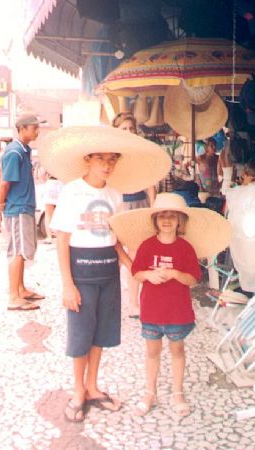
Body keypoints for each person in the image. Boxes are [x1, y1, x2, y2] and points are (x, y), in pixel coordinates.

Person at [41, 126, 169, 423]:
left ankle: (93, 386)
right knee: (80, 336)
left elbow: (115, 238)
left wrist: (134, 268)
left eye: (112, 159)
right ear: (87, 159)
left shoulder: (115, 194)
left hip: (108, 274)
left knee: (100, 334)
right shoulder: (72, 190)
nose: (107, 165)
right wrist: (67, 285)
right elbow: (62, 238)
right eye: (101, 159)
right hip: (81, 272)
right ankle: (77, 391)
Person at [117, 193, 202, 417]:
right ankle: (149, 392)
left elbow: (193, 278)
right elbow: (136, 272)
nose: (166, 220)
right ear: (155, 220)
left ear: (180, 221)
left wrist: (175, 273)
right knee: (152, 352)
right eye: (162, 216)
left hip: (178, 313)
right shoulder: (147, 246)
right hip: (152, 311)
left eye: (172, 216)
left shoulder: (185, 248)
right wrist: (149, 275)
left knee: (177, 351)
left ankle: (177, 392)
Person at [0, 113, 46, 311]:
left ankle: (21, 289)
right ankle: (13, 297)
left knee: (23, 251)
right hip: (16, 210)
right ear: (23, 128)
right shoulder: (14, 152)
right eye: (34, 127)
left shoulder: (24, 150)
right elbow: (4, 184)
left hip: (25, 208)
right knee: (16, 252)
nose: (37, 131)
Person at [112, 111, 156, 318]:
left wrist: (153, 206)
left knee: (136, 255)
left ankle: (133, 303)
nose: (128, 132)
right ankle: (108, 298)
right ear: (116, 131)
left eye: (131, 128)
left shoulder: (141, 154)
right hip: (119, 206)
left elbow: (150, 183)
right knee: (114, 254)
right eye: (124, 129)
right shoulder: (112, 155)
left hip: (139, 205)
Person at [43, 175, 64, 244]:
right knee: (62, 212)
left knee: (48, 212)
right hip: (63, 182)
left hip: (51, 182)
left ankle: (49, 237)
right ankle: (61, 237)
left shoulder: (50, 164)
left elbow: (42, 174)